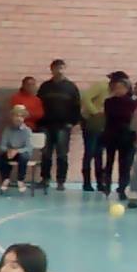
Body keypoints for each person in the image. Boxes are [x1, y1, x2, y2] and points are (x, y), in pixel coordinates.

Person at [36, 59, 81, 190]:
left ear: (65, 69)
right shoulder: (45, 87)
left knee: (62, 154)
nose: (59, 70)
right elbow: (38, 104)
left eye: (61, 68)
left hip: (63, 125)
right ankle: (45, 179)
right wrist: (39, 122)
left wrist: (72, 123)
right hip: (46, 125)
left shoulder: (71, 87)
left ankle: (61, 181)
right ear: (52, 69)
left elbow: (77, 106)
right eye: (56, 68)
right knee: (45, 154)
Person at [79, 72, 126, 192]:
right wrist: (95, 112)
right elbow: (86, 97)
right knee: (90, 152)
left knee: (99, 153)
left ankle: (100, 182)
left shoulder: (116, 93)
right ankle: (86, 182)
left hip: (104, 124)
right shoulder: (101, 86)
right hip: (92, 122)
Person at [100, 76, 137, 199]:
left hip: (126, 136)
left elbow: (132, 119)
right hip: (111, 134)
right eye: (116, 88)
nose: (119, 90)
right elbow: (110, 116)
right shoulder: (109, 102)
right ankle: (107, 185)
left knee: (124, 163)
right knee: (109, 161)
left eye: (121, 88)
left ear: (127, 89)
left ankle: (122, 188)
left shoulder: (132, 103)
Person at [0, 105, 34, 194]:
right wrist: (9, 151)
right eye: (16, 116)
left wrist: (16, 151)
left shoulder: (27, 131)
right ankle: (6, 178)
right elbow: (2, 146)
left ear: (24, 118)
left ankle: (20, 180)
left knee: (23, 157)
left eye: (21, 116)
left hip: (22, 153)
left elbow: (29, 147)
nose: (18, 118)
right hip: (10, 152)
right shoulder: (7, 130)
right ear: (12, 117)